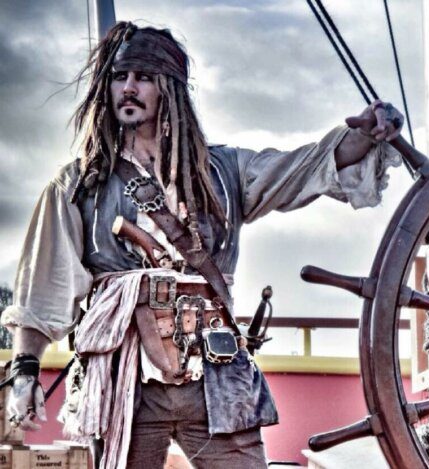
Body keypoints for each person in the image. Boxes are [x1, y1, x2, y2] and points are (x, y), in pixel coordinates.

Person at [1, 21, 403, 469]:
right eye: (120, 76)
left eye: (144, 77)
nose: (129, 88)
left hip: (214, 377)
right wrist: (25, 372)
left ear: (168, 88)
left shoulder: (224, 173)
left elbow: (304, 168)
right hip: (125, 383)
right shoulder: (80, 185)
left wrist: (365, 134)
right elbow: (42, 292)